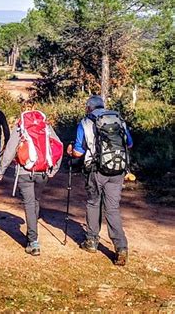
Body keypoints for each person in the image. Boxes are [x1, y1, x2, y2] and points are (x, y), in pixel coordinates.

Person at [68, 95, 133, 266]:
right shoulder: (118, 119)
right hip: (118, 169)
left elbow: (78, 153)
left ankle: (91, 241)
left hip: (96, 170)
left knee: (93, 203)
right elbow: (130, 144)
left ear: (89, 108)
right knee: (112, 208)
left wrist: (70, 150)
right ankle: (121, 247)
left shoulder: (86, 122)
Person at [0, 109, 63, 256]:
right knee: (35, 201)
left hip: (24, 171)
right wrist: (54, 168)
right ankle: (32, 234)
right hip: (43, 171)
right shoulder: (45, 127)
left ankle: (33, 241)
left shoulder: (21, 127)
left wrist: (1, 170)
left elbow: (10, 149)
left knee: (29, 203)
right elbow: (58, 145)